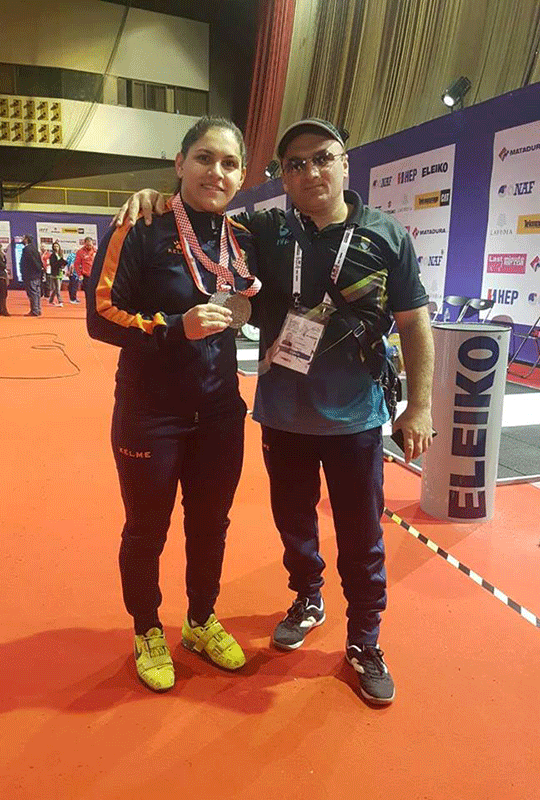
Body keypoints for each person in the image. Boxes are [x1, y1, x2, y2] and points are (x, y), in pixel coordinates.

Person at [114, 118, 435, 705]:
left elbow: (415, 324)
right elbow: (197, 212)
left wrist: (421, 405)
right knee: (293, 525)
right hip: (281, 417)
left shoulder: (386, 234)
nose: (310, 172)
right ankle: (306, 597)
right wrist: (154, 196)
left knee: (362, 535)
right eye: (295, 164)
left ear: (345, 163)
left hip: (356, 418)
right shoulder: (265, 230)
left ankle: (365, 640)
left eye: (322, 158)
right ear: (281, 177)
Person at [87, 116, 261, 693]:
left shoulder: (242, 237)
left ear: (242, 176)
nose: (217, 172)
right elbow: (100, 316)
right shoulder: (140, 226)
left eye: (229, 164)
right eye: (204, 158)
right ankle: (146, 629)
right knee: (147, 530)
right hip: (151, 413)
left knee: (211, 525)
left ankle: (200, 620)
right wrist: (172, 327)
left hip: (220, 413)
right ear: (180, 163)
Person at [20, 235, 44, 316]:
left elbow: (29, 262)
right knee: (36, 293)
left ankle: (35, 310)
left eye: (23, 238)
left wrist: (24, 273)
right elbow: (39, 262)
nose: (22, 240)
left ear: (26, 239)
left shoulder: (27, 249)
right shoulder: (34, 248)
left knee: (32, 293)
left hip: (30, 275)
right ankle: (37, 309)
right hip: (36, 275)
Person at [48, 241, 66, 306]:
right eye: (55, 246)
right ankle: (60, 301)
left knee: (56, 289)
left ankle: (51, 300)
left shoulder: (60, 255)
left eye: (57, 246)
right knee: (58, 288)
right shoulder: (52, 256)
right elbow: (53, 264)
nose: (56, 247)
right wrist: (59, 263)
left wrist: (63, 264)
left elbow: (62, 263)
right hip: (55, 274)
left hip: (60, 273)